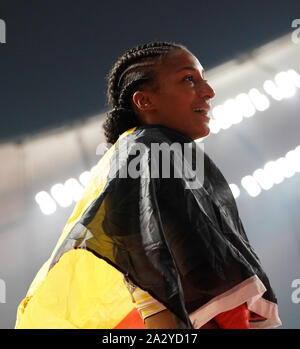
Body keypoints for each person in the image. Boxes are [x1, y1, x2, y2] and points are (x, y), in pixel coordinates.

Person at [15, 41, 281, 329]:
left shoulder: (157, 150)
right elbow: (151, 269)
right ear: (144, 101)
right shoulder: (147, 148)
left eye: (204, 79)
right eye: (189, 79)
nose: (209, 91)